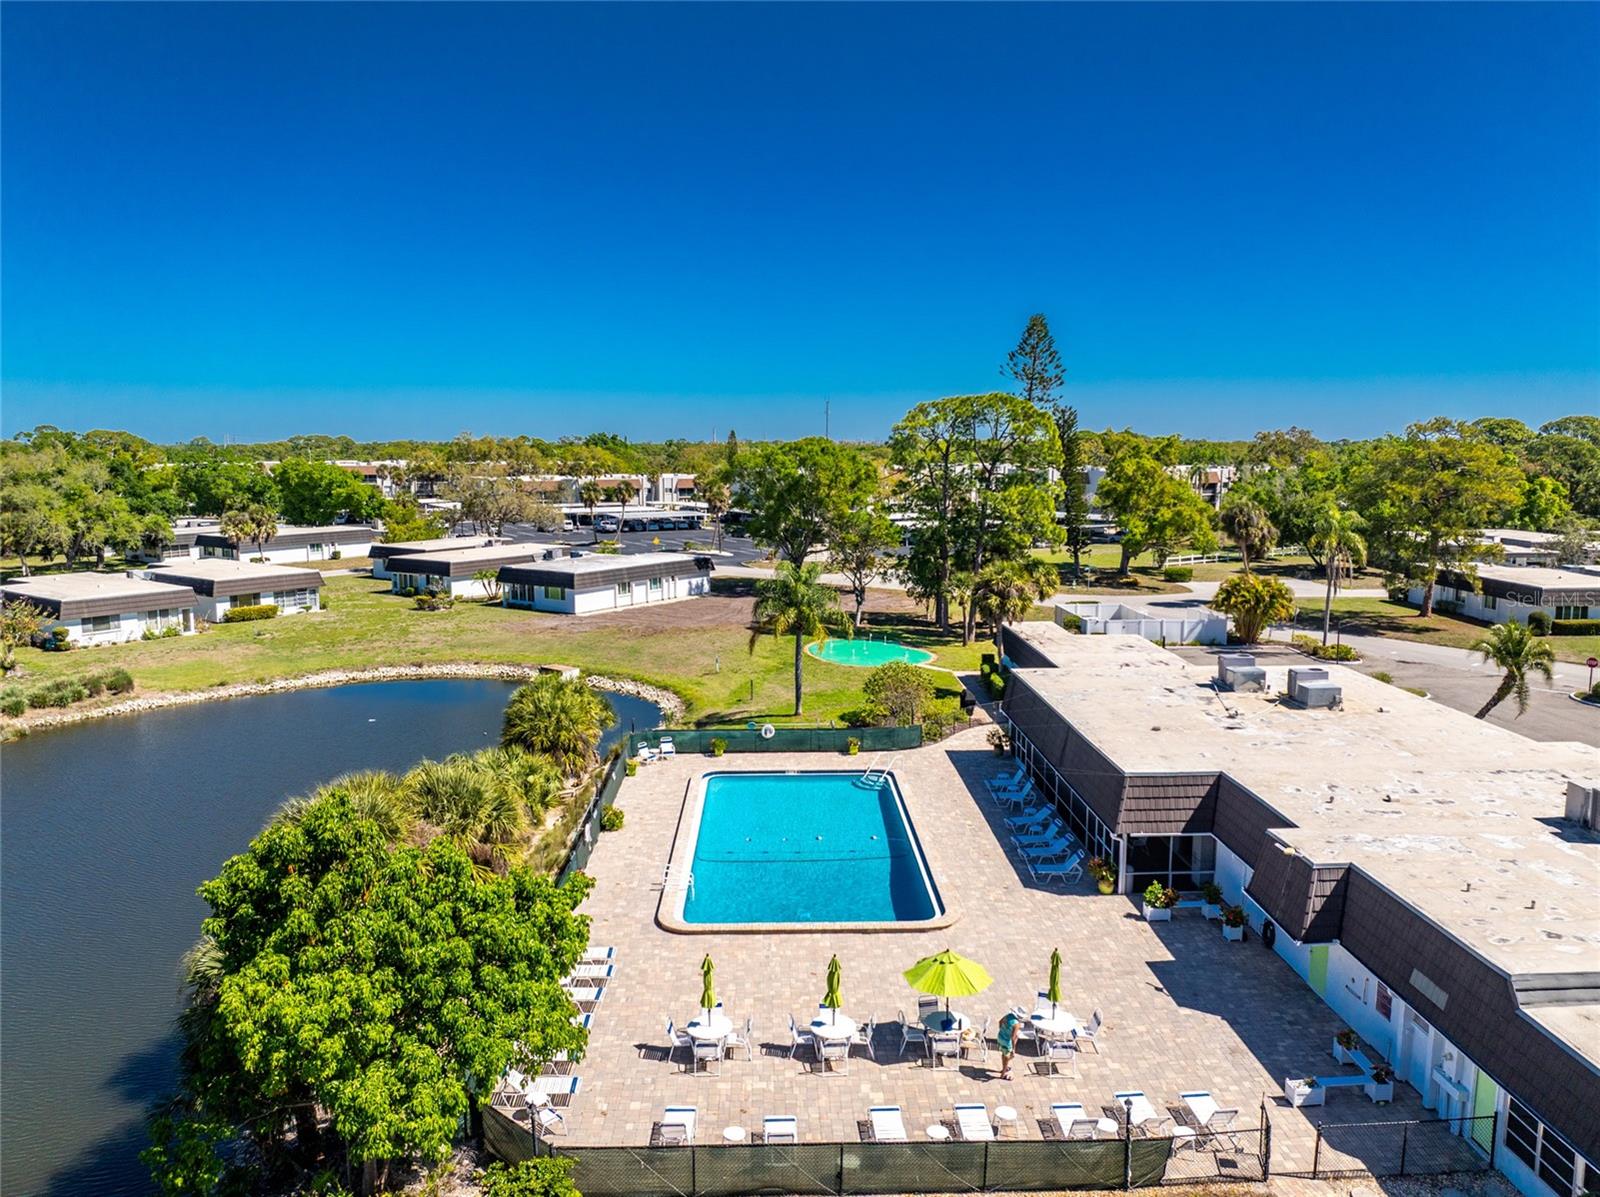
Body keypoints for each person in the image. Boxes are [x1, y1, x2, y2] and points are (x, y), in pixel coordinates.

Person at [996, 1008, 1023, 1081]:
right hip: (1007, 1042)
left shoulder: (1008, 1015)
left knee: (1004, 1054)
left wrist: (1003, 1031)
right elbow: (1013, 1038)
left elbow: (1000, 1022)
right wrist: (1014, 1049)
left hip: (1000, 1037)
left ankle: (1004, 1068)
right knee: (1009, 1056)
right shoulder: (1017, 1024)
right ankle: (1003, 1074)